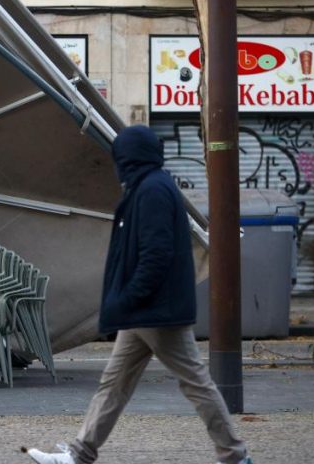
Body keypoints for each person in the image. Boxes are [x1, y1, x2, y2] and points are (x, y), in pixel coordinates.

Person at [27, 125, 252, 464]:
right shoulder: (148, 186)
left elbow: (155, 254)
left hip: (155, 311)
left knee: (195, 383)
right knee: (114, 385)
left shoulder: (152, 191)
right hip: (147, 310)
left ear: (128, 157)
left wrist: (128, 297)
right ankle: (79, 454)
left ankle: (235, 456)